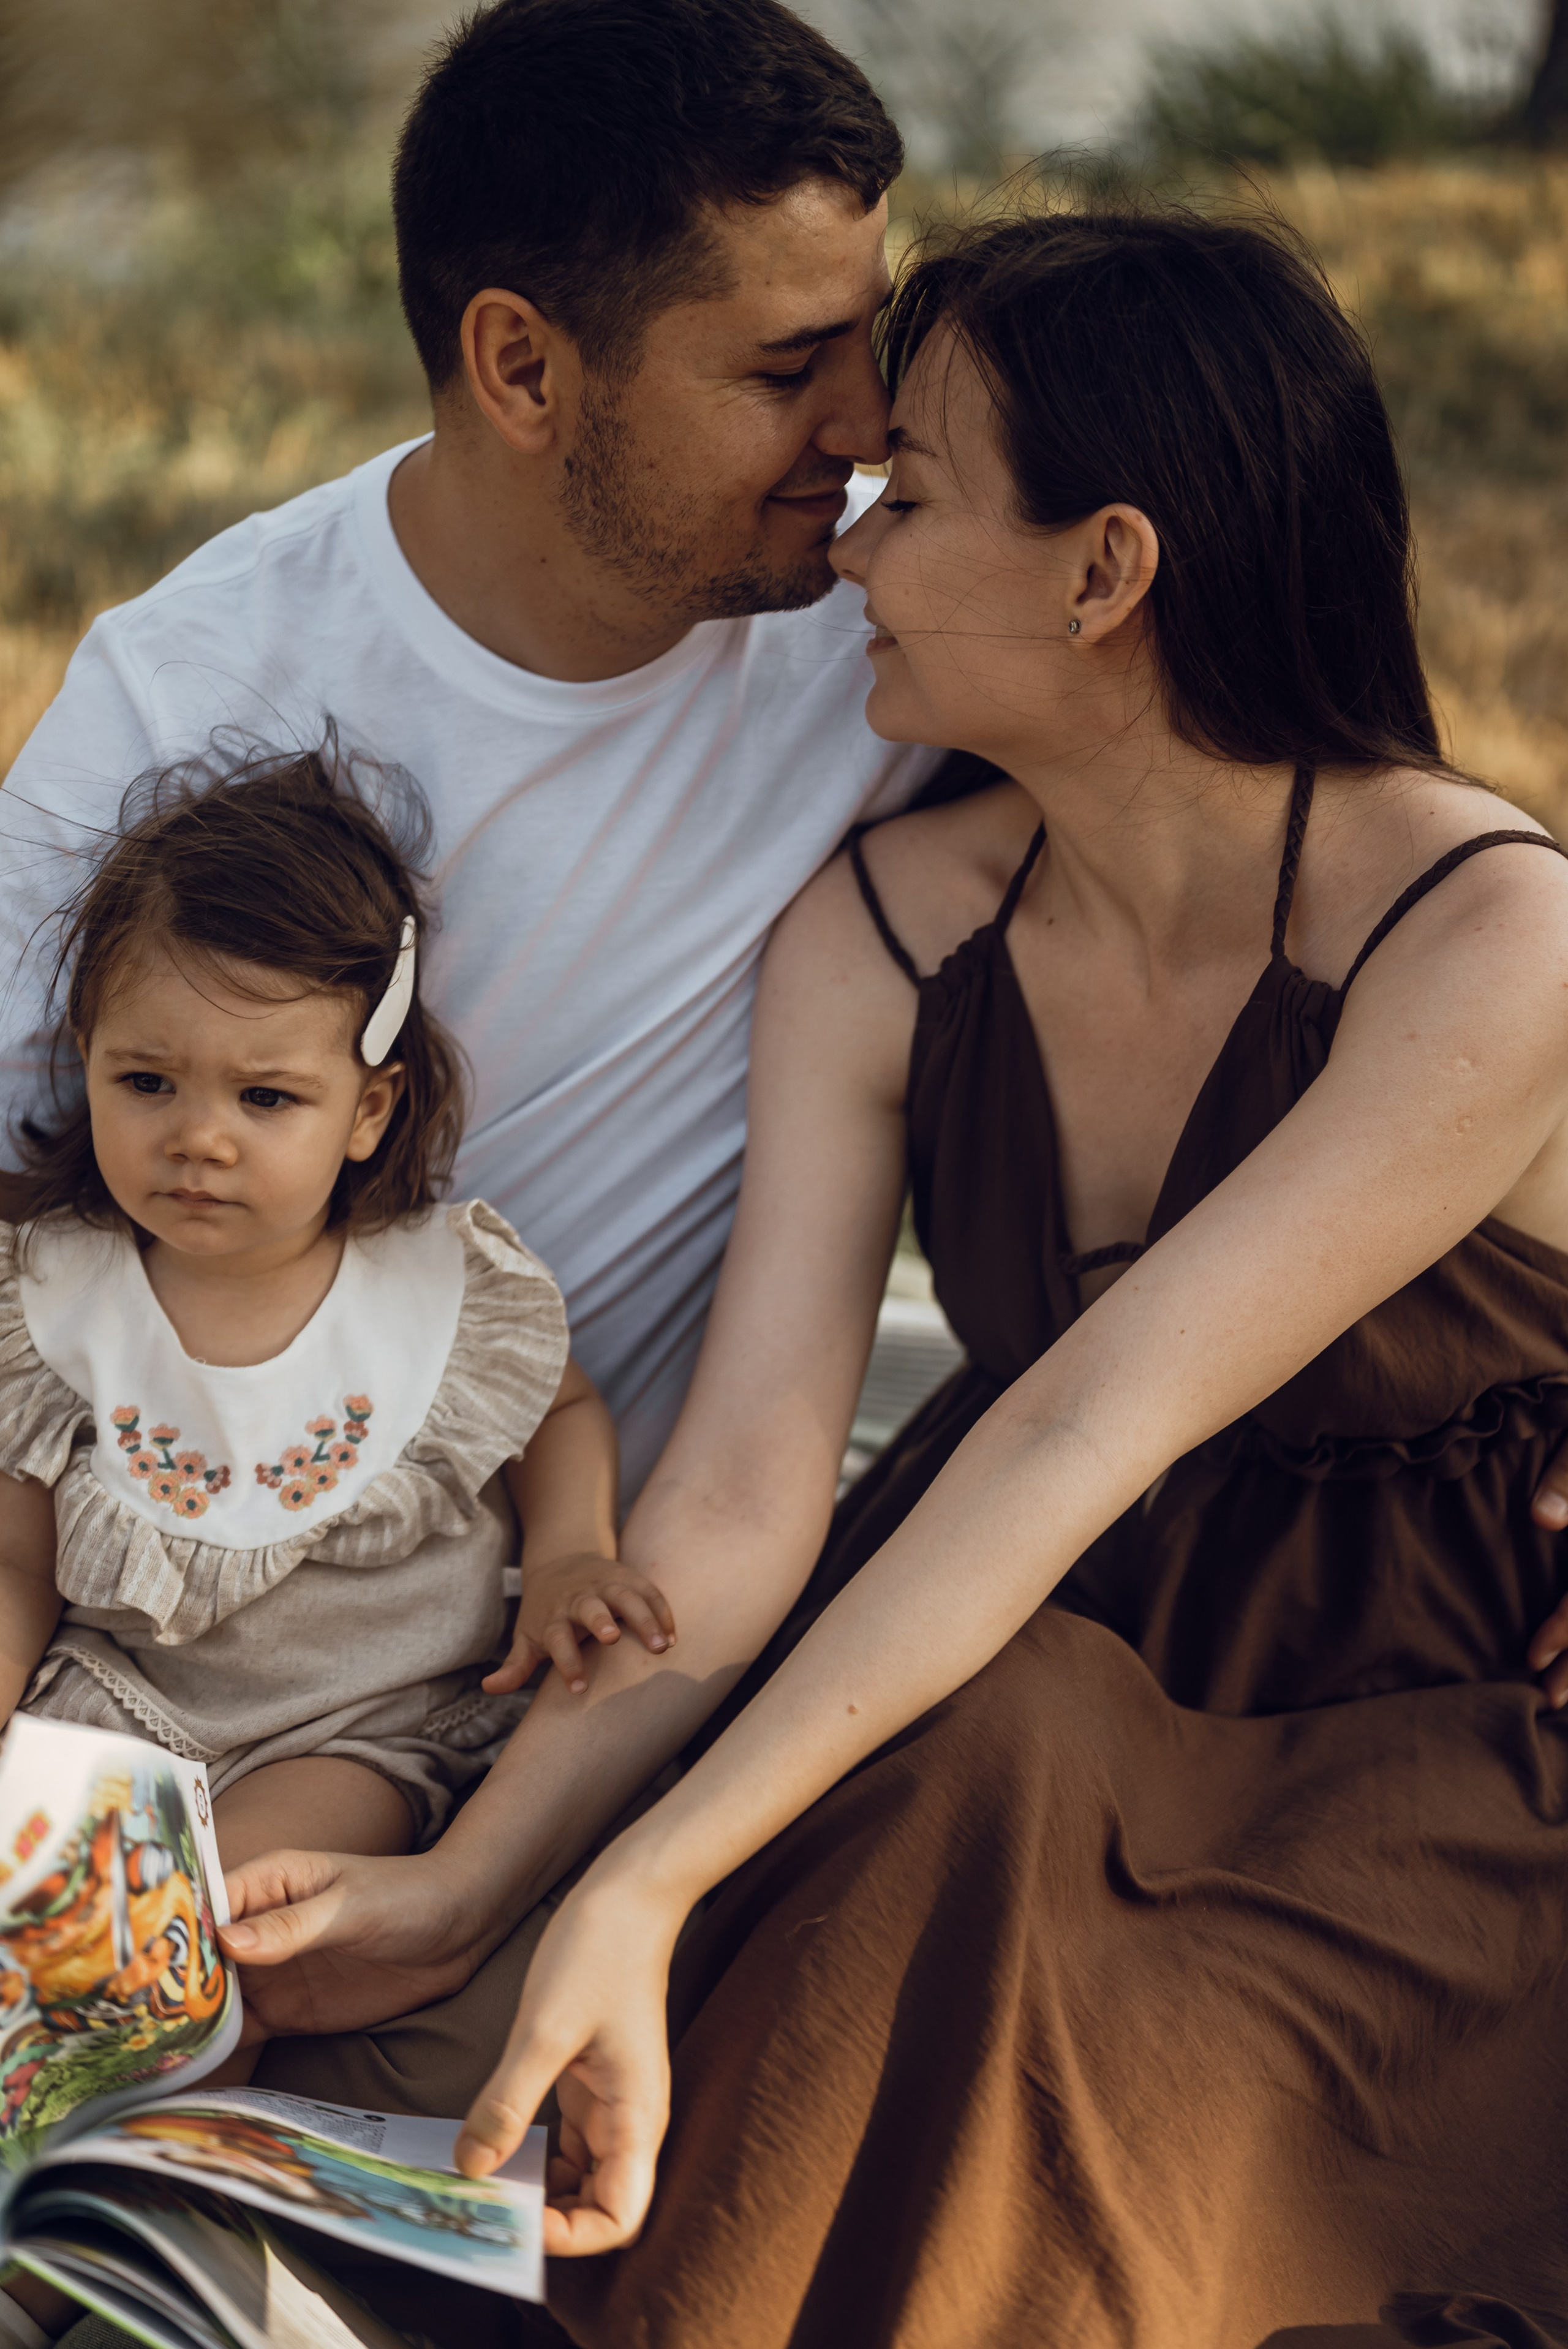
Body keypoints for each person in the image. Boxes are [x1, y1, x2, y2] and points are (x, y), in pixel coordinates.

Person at [239, 206, 1568, 2344]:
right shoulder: (889, 926)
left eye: (912, 497)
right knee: (989, 1758)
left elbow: (1089, 1411)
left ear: (1105, 568)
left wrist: (650, 1874)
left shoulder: (1480, 929)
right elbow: (754, 1497)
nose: (846, 546)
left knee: (1122, 2033)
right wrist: (500, 1873)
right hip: (1021, 1622)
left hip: (1441, 1684)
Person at [0, 0, 951, 2100]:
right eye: (787, 368)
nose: (869, 429)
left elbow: (1324, 896)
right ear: (524, 365)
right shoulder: (194, 704)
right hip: (136, 1607)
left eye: (864, 339)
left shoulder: (898, 642)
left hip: (529, 1653)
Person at [0, 741, 675, 1879]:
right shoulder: (51, 1301)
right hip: (113, 1703)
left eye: (266, 1098)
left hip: (355, 1729)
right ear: (87, 1059)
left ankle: (180, 2012)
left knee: (229, 1895)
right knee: (48, 1892)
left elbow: (558, 1411)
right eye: (147, 1082)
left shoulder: (442, 1290)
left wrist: (568, 1556)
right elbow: (15, 1563)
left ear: (368, 1110)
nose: (199, 1138)